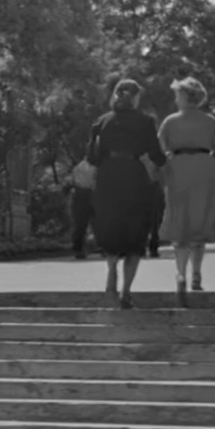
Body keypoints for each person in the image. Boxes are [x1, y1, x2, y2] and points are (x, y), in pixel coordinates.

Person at [88, 79, 167, 309]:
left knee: (110, 225)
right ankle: (126, 291)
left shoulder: (102, 121)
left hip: (108, 177)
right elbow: (156, 154)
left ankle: (112, 270)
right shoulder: (145, 121)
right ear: (136, 97)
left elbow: (91, 156)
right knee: (136, 231)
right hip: (134, 176)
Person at [157, 77, 215, 305]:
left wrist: (168, 158)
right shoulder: (211, 122)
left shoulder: (169, 122)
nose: (175, 99)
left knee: (180, 220)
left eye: (177, 95)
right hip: (206, 169)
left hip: (178, 169)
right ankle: (197, 274)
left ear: (185, 96)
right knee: (200, 219)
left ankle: (180, 274)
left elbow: (159, 150)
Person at [64, 158, 96, 259]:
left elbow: (70, 182)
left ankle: (78, 249)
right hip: (91, 194)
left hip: (78, 194)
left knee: (79, 224)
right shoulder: (94, 168)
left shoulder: (76, 168)